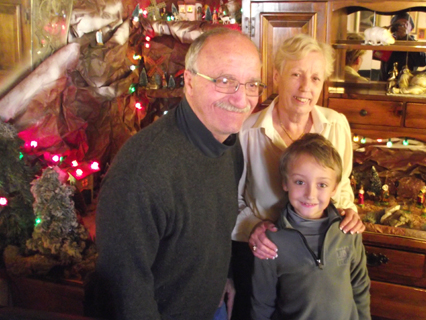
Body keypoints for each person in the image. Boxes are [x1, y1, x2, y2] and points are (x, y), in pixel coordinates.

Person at [93, 28, 265, 320]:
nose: (241, 99)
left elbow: (215, 227)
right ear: (189, 82)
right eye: (225, 81)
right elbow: (125, 287)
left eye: (251, 85)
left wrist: (225, 277)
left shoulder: (227, 144)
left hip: (215, 306)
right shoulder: (143, 170)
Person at [231, 33, 364, 319]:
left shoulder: (336, 125)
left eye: (316, 78)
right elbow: (230, 200)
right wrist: (253, 227)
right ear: (277, 75)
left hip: (317, 261)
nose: (306, 87)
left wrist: (349, 210)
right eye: (296, 74)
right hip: (262, 255)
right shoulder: (246, 132)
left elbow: (342, 188)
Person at [251, 133, 371, 320]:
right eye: (300, 182)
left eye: (322, 184)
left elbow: (360, 287)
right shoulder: (270, 241)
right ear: (285, 183)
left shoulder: (349, 230)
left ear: (334, 188)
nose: (310, 194)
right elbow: (262, 303)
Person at [375, 12, 426, 81]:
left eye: (405, 24)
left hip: (406, 84)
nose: (401, 27)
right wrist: (383, 33)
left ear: (411, 28)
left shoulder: (414, 44)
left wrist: (406, 38)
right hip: (384, 82)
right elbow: (377, 55)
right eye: (398, 24)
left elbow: (424, 62)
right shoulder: (387, 41)